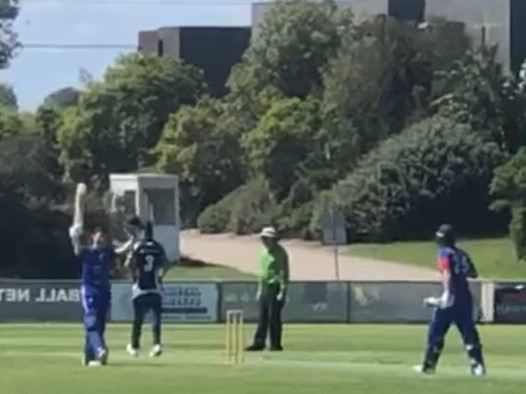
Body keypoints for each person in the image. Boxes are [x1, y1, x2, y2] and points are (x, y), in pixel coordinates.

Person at [415, 224, 486, 376]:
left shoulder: (443, 252)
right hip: (464, 297)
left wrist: (447, 293)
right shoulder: (462, 254)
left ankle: (429, 366)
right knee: (469, 332)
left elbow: (446, 271)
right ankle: (477, 366)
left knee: (436, 332)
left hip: (451, 298)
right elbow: (473, 273)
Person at [70, 222, 139, 367]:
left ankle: (89, 356)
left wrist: (133, 239)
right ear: (93, 237)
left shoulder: (107, 253)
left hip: (104, 292)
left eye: (103, 237)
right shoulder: (87, 252)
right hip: (90, 291)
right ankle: (100, 349)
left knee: (100, 326)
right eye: (99, 236)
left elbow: (122, 250)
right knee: (92, 322)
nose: (101, 239)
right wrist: (75, 237)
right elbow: (76, 249)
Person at [125, 221, 167, 358]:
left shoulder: (138, 246)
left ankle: (135, 346)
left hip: (140, 288)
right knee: (156, 319)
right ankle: (157, 344)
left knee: (138, 319)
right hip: (155, 287)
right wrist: (160, 278)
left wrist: (133, 277)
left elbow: (128, 264)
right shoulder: (158, 247)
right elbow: (165, 265)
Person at [246, 226, 289, 352]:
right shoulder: (264, 253)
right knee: (262, 317)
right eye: (263, 239)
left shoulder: (280, 253)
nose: (264, 241)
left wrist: (282, 291)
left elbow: (283, 273)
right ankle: (259, 342)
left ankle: (275, 344)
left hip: (274, 288)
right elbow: (262, 273)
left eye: (266, 239)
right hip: (265, 287)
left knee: (273, 318)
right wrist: (259, 289)